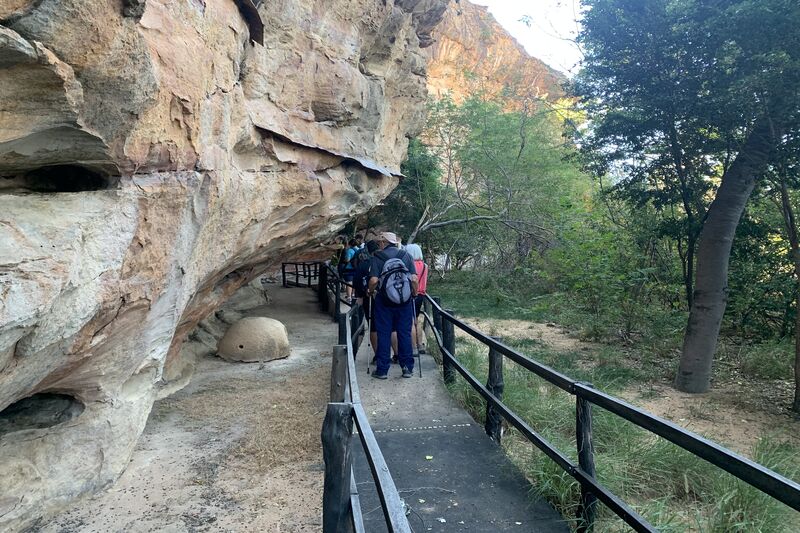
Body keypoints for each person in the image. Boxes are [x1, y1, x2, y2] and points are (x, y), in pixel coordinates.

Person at [368, 231, 418, 379]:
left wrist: (370, 291)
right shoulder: (406, 255)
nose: (379, 244)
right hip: (404, 302)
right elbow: (414, 279)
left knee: (384, 334)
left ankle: (382, 370)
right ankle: (407, 368)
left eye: (379, 242)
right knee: (404, 333)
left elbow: (373, 281)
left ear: (384, 242)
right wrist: (414, 293)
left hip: (384, 302)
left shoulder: (378, 257)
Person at [404, 243, 428, 354]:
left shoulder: (409, 265)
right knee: (416, 320)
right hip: (421, 295)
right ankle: (420, 344)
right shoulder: (425, 266)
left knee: (410, 321)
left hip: (411, 294)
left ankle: (413, 347)